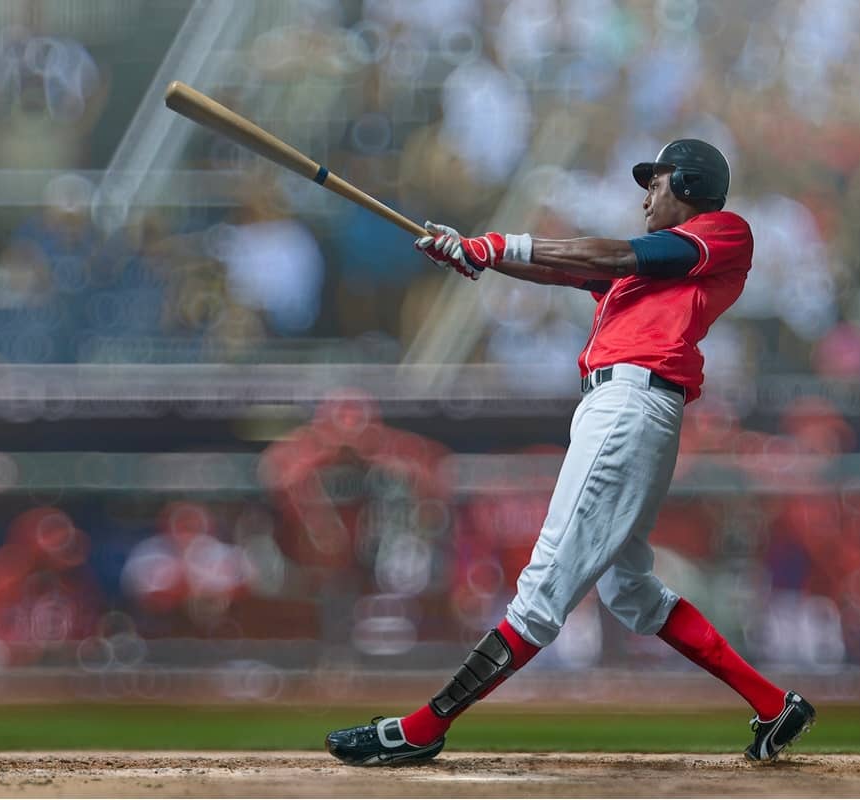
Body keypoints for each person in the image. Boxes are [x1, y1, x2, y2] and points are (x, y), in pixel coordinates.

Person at [324, 139, 816, 766]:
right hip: (625, 406)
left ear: (691, 184)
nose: (647, 194)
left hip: (630, 404)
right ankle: (774, 704)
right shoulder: (644, 272)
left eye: (658, 181)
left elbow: (612, 254)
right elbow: (565, 268)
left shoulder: (722, 232)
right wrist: (470, 251)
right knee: (628, 589)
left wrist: (497, 246)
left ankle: (423, 728)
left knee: (543, 590)